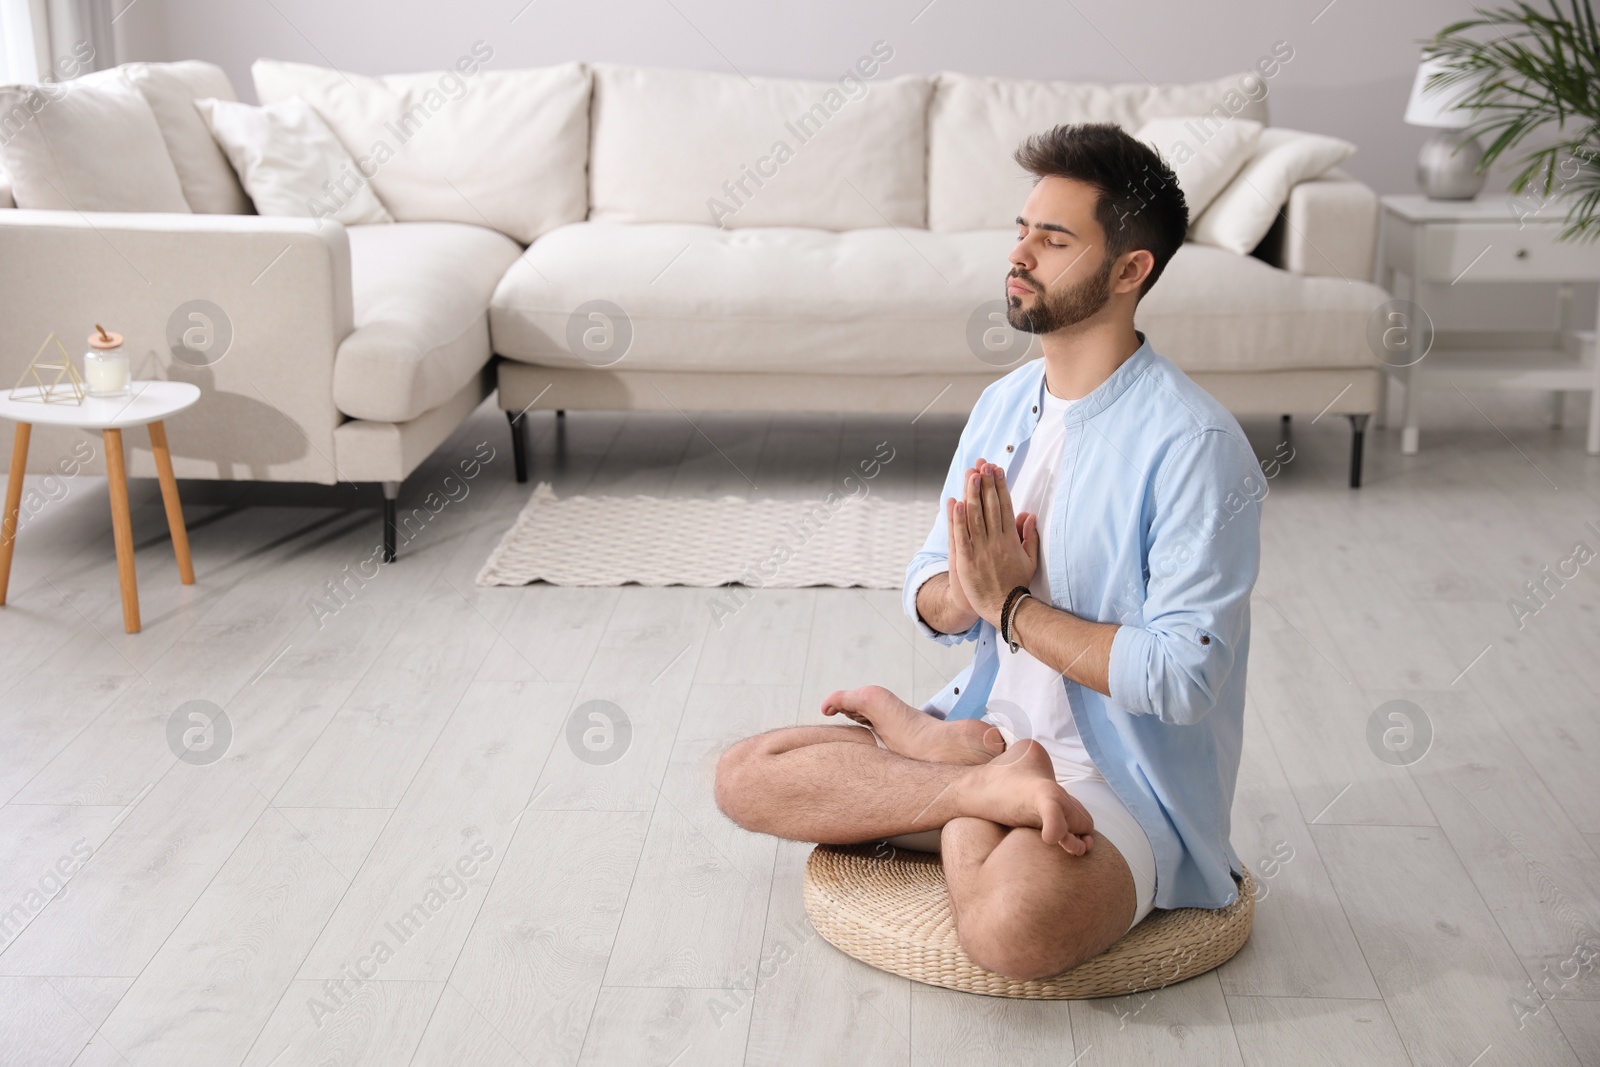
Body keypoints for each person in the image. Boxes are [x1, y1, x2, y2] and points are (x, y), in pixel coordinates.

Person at [714, 122, 1263, 981]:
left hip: (1113, 784)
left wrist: (1014, 606)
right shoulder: (1005, 404)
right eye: (1021, 229)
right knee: (746, 774)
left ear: (1130, 271)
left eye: (1054, 238)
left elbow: (1182, 677)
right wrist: (967, 595)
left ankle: (973, 793)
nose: (1021, 254)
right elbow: (926, 583)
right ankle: (980, 787)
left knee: (1016, 928)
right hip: (983, 736)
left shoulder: (1195, 445)